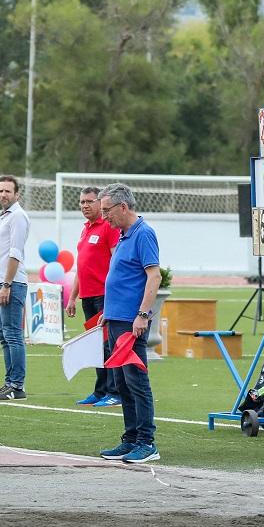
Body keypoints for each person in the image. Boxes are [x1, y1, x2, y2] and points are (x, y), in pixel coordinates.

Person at [97, 183, 160, 464]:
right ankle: (131, 438)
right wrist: (108, 313)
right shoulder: (123, 235)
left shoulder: (143, 234)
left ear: (124, 207)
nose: (104, 217)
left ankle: (147, 442)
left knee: (136, 381)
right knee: (121, 382)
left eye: (107, 211)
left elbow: (154, 276)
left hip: (131, 323)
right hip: (116, 320)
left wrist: (143, 315)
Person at [66, 186, 121, 407]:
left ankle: (115, 392)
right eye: (82, 202)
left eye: (89, 201)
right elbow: (82, 266)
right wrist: (72, 297)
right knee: (96, 347)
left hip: (103, 295)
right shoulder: (86, 229)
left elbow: (116, 263)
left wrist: (113, 296)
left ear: (100, 203)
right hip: (88, 296)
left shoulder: (109, 227)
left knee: (109, 345)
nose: (85, 206)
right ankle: (100, 391)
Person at [0, 175, 31, 401]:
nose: (3, 195)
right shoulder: (2, 217)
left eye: (7, 191)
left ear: (16, 194)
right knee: (3, 336)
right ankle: (8, 382)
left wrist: (6, 284)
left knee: (13, 336)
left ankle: (16, 385)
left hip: (11, 284)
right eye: (1, 191)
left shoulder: (18, 217)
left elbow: (15, 252)